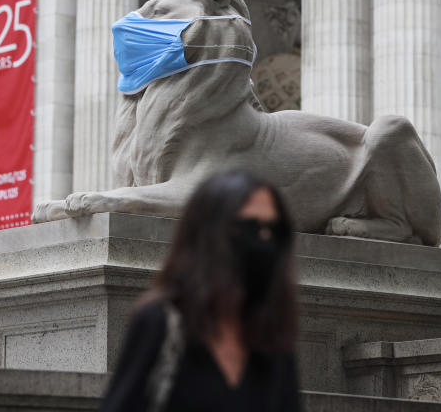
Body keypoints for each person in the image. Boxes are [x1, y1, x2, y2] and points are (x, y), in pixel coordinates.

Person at [100, 169, 301, 412]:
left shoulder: (273, 340)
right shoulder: (159, 324)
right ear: (210, 235)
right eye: (251, 227)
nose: (264, 239)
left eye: (274, 229)